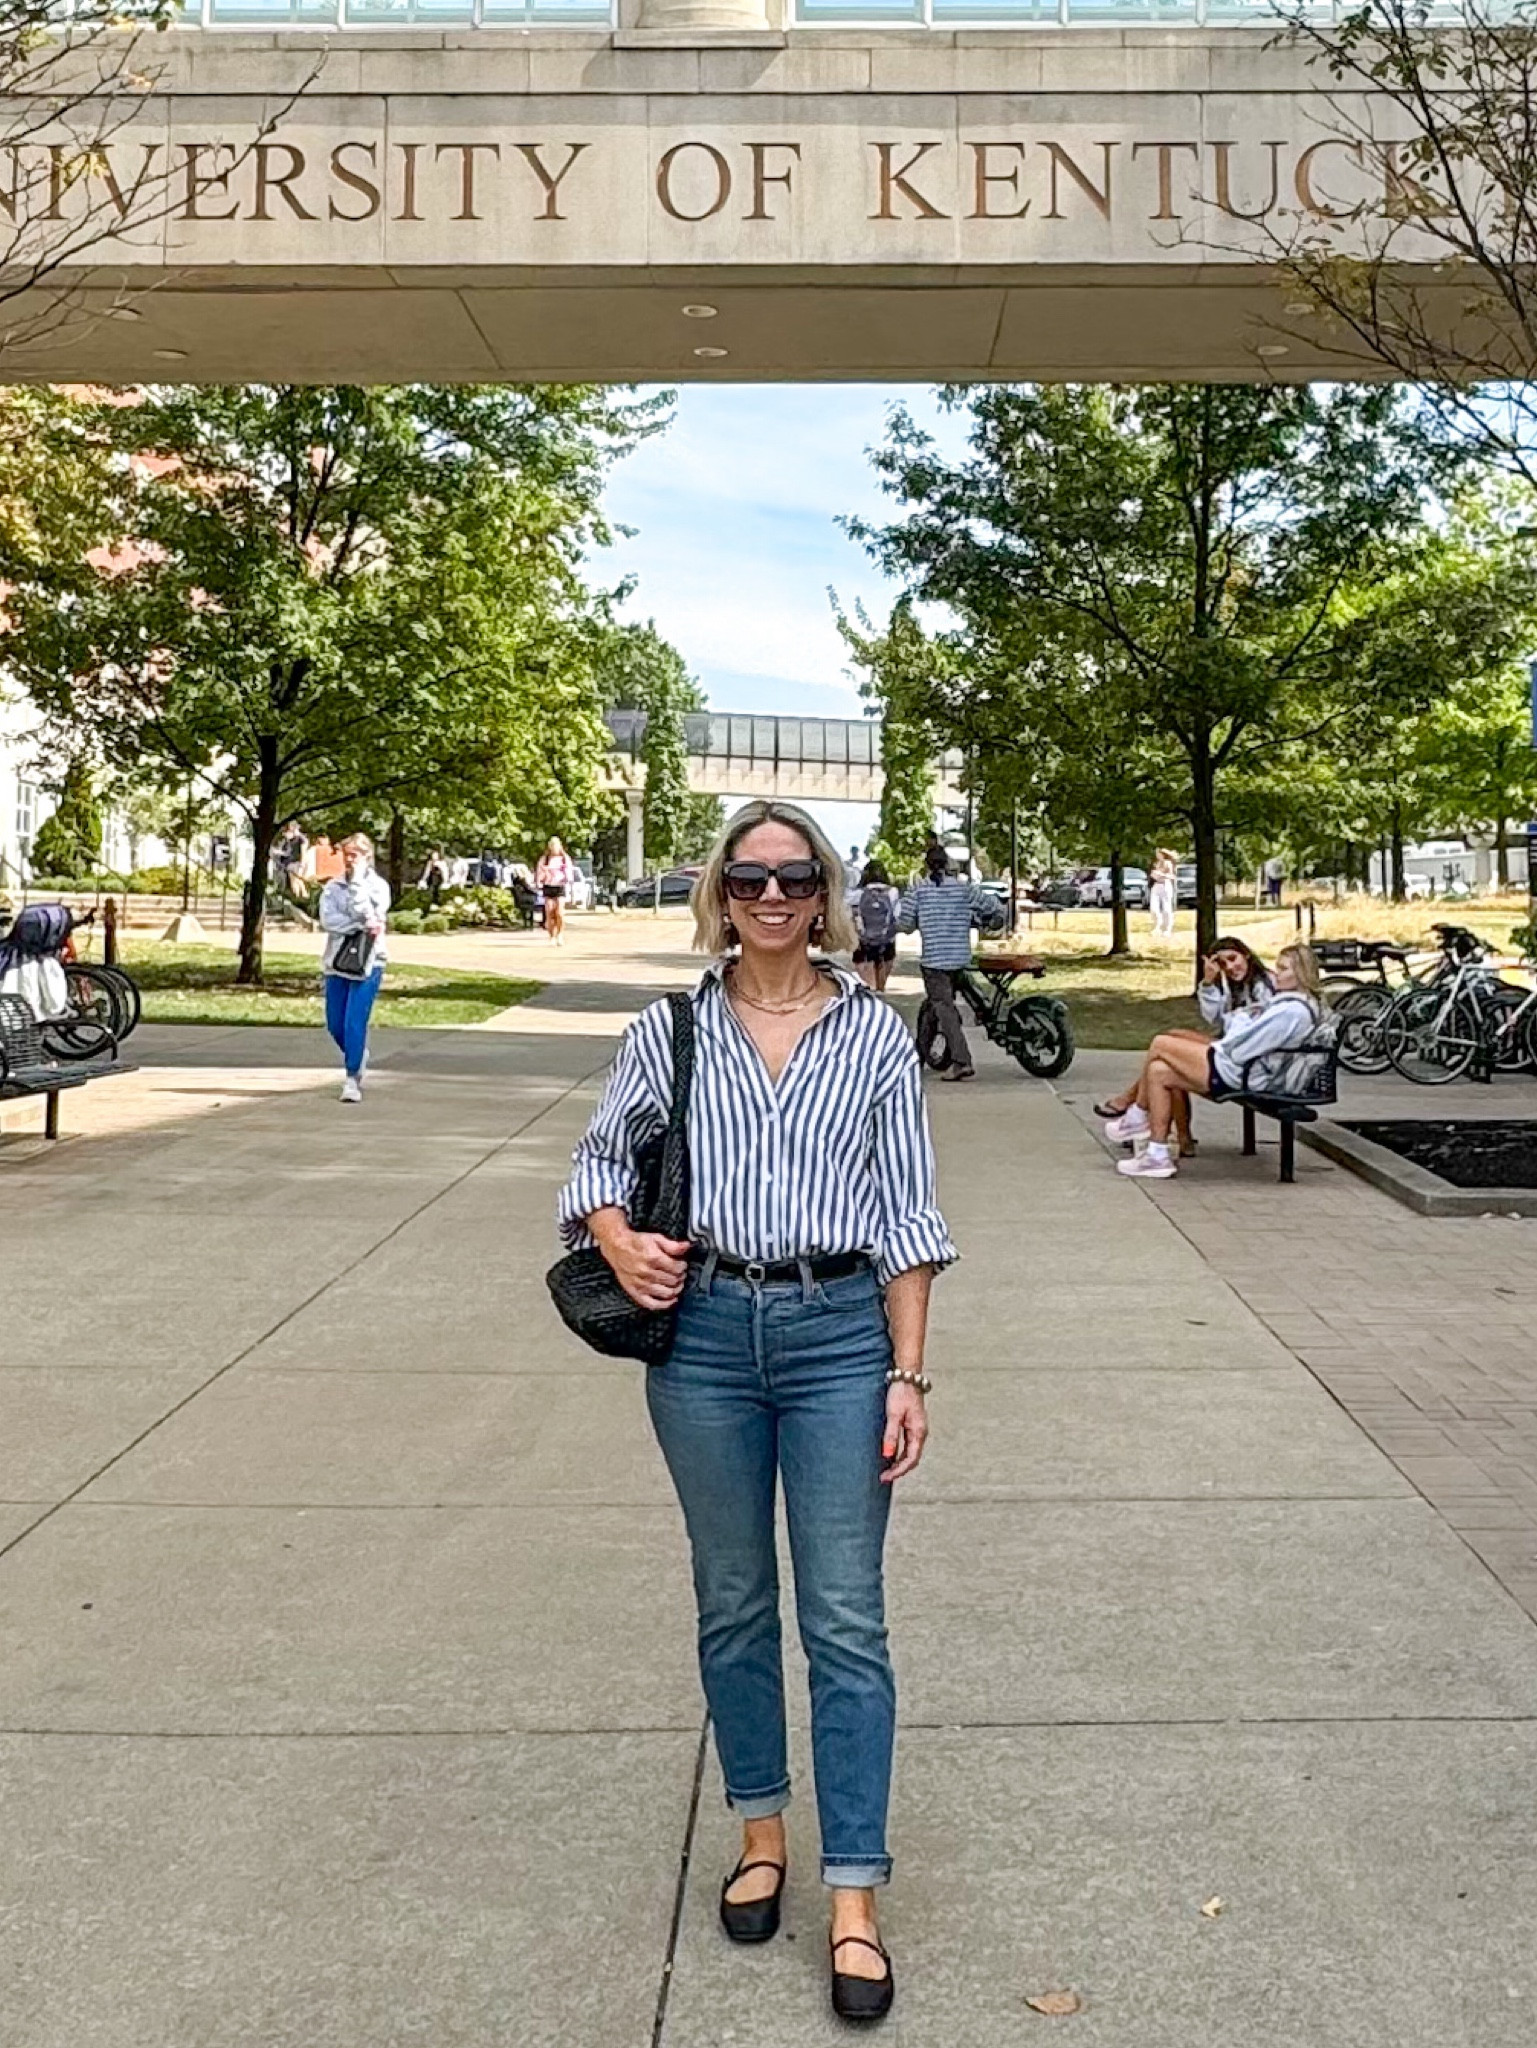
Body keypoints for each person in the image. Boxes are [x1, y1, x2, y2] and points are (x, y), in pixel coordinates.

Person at [558, 798, 952, 2025]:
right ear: (719, 894)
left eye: (793, 876)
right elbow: (592, 1172)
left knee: (845, 1616)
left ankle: (852, 1895)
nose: (772, 897)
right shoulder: (668, 1027)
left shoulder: (874, 1038)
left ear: (826, 891)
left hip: (840, 1332)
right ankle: (762, 1830)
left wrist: (908, 1370)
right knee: (733, 1597)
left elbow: (908, 1217)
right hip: (710, 1338)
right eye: (748, 877)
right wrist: (619, 1240)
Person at [1114, 943, 1323, 1180]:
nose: (1277, 974)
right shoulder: (1289, 1004)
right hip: (1247, 1067)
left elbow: (1242, 1048)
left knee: (1161, 1043)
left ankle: (1137, 1115)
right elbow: (1230, 1026)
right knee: (1159, 1070)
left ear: (1301, 971)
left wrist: (1238, 1023)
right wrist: (1229, 1008)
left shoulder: (1290, 1011)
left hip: (1242, 1072)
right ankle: (1156, 1154)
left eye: (1284, 969)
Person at [1096, 936, 1273, 1156]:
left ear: (1246, 954)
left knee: (1166, 1047)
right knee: (1168, 1052)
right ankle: (1176, 1135)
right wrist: (1209, 982)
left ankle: (1135, 1108)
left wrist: (1230, 1022)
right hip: (1234, 1047)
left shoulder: (1264, 985)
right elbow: (1214, 1019)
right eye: (1223, 963)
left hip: (1244, 1054)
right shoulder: (1234, 986)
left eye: (1233, 959)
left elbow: (1253, 1028)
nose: (1230, 967)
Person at [897, 841, 1004, 1082]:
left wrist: (916, 922)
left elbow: (904, 925)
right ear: (947, 865)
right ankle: (918, 1055)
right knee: (937, 1006)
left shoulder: (919, 891)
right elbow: (995, 907)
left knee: (944, 1008)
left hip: (934, 960)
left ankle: (961, 1061)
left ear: (926, 866)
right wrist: (985, 920)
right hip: (959, 957)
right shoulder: (962, 889)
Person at [319, 833, 390, 1104]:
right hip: (336, 961)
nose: (350, 860)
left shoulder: (378, 886)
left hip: (368, 961)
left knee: (354, 1022)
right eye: (347, 854)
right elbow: (330, 921)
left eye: (356, 855)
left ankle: (352, 1078)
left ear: (367, 856)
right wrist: (359, 926)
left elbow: (371, 914)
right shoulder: (333, 887)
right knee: (336, 1024)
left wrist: (359, 883)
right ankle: (357, 1053)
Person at [851, 857, 901, 992]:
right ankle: (880, 991)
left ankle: (870, 991)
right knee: (881, 986)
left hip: (863, 941)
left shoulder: (858, 894)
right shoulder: (892, 892)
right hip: (887, 940)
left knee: (868, 985)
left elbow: (850, 914)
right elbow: (897, 915)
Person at [535, 835, 575, 944]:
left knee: (560, 913)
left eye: (556, 845)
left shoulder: (564, 858)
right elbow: (540, 871)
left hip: (560, 886)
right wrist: (539, 881)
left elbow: (569, 872)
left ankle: (560, 934)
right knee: (549, 911)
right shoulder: (545, 859)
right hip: (548, 886)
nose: (554, 848)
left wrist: (569, 882)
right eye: (552, 845)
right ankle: (552, 935)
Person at [1149, 847, 1179, 938]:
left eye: (1158, 853)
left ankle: (1167, 930)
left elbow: (1172, 876)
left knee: (1166, 908)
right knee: (1154, 908)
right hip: (1156, 885)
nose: (1157, 855)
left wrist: (1161, 875)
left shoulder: (1168, 863)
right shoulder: (1156, 864)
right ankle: (1157, 927)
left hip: (1165, 885)